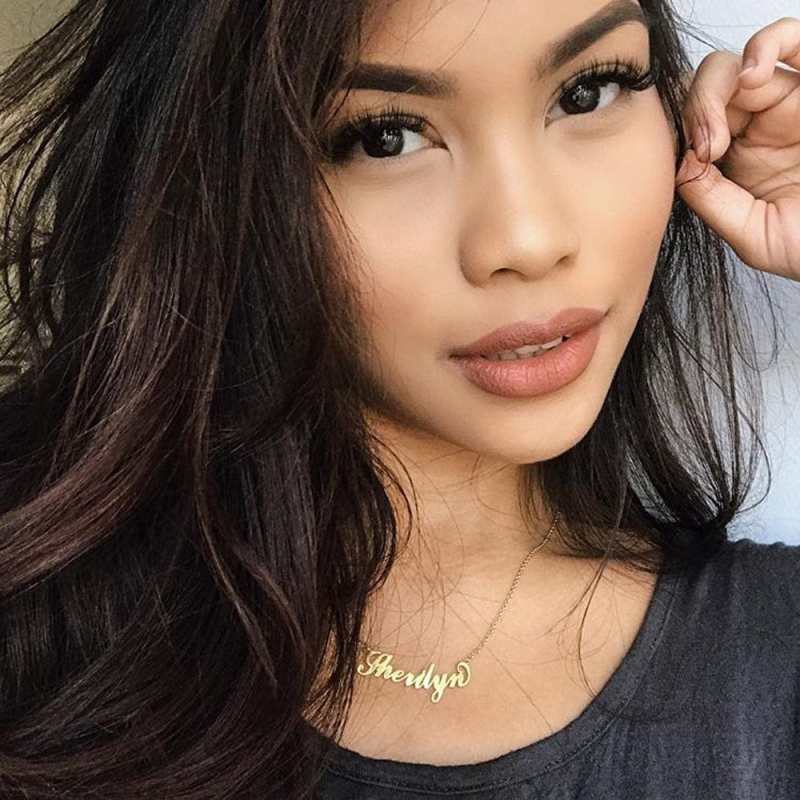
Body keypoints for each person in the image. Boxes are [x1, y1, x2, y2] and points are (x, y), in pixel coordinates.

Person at [0, 0, 797, 797]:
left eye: (587, 92)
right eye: (386, 138)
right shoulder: (41, 628)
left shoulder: (773, 654)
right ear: (215, 183)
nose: (528, 241)